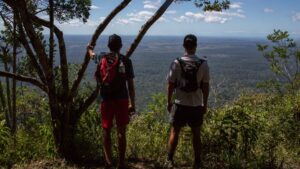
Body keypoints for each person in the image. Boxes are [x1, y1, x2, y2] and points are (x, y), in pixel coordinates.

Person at [88, 34, 135, 169]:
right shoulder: (126, 61)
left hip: (106, 99)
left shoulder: (101, 57)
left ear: (108, 46)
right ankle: (121, 163)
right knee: (121, 131)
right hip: (122, 99)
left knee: (106, 130)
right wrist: (132, 103)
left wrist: (89, 49)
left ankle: (108, 162)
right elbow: (130, 86)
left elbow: (92, 55)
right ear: (120, 46)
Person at [166, 34, 210, 169]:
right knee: (196, 134)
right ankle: (197, 162)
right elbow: (205, 87)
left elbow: (171, 85)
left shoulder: (176, 62)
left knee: (175, 132)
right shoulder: (203, 64)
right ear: (195, 46)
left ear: (184, 46)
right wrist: (205, 104)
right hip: (196, 104)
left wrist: (169, 102)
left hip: (179, 103)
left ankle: (169, 161)